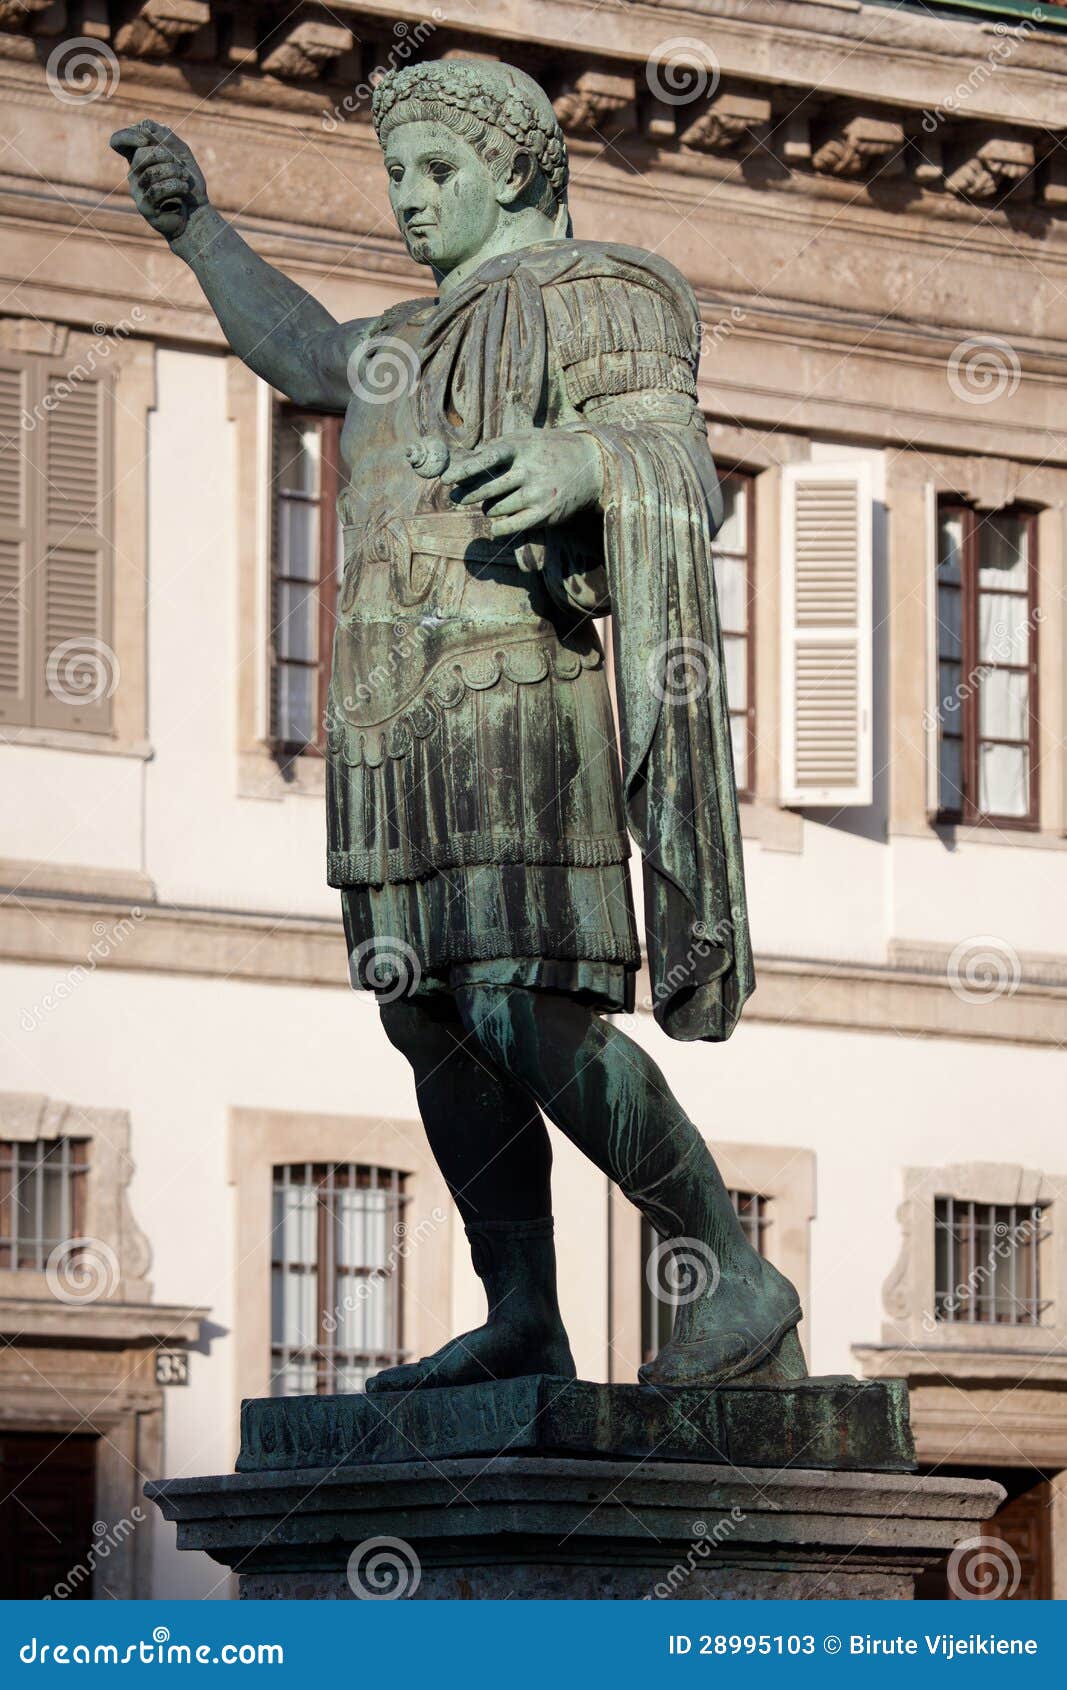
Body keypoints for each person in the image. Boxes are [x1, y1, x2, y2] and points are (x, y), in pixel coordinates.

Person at [112, 58, 803, 1392]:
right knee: (422, 1012)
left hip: (518, 705)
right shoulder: (405, 339)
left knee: (514, 1001)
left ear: (520, 169)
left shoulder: (605, 292)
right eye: (397, 177)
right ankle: (523, 1310)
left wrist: (582, 462)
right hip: (393, 721)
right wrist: (197, 227)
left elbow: (683, 474)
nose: (410, 203)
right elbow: (300, 349)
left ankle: (728, 1261)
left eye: (438, 173)